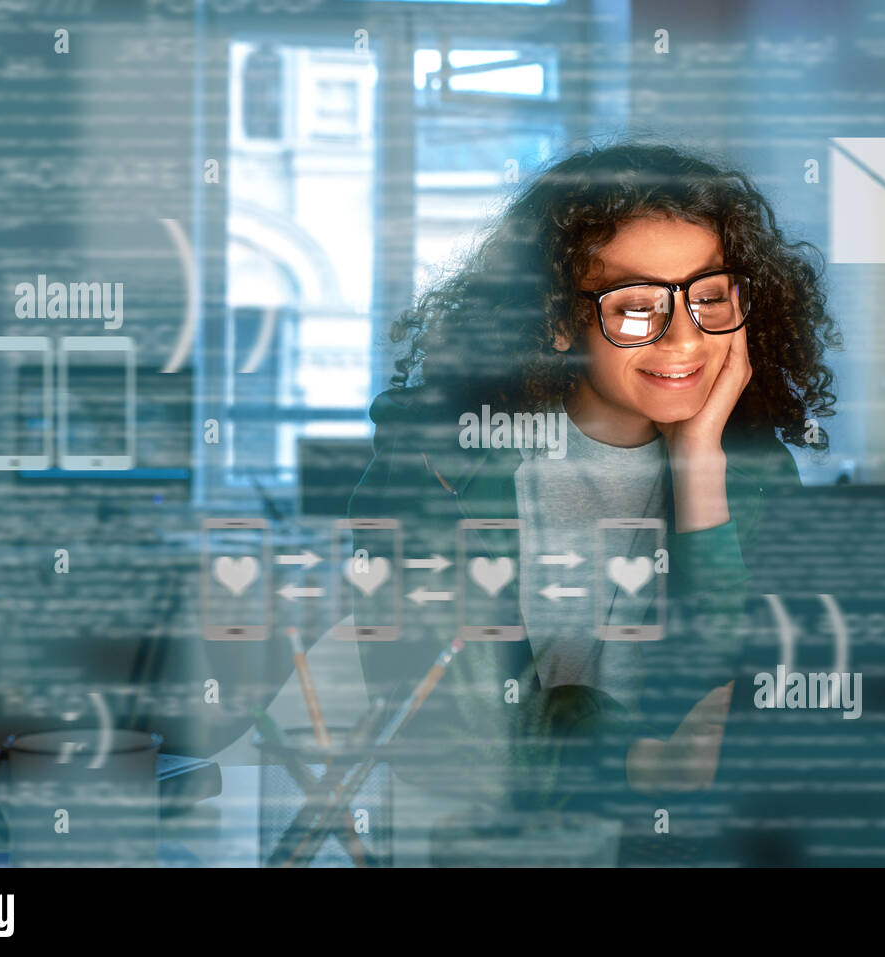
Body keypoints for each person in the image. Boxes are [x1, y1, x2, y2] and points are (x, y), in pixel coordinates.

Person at [345, 140, 839, 864]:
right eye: (637, 306)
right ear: (555, 321)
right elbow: (436, 729)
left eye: (707, 299)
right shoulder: (434, 466)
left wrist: (700, 465)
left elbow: (739, 704)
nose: (683, 338)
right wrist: (637, 762)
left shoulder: (756, 473)